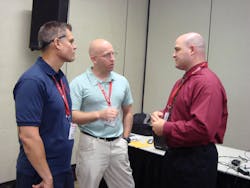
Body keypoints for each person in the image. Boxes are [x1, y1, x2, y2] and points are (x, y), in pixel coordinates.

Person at [151, 32, 228, 188]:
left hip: (194, 162)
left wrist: (165, 127)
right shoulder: (185, 80)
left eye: (177, 50)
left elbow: (202, 128)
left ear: (192, 50)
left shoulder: (207, 83)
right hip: (177, 157)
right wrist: (162, 116)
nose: (173, 55)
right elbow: (182, 114)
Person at [13, 21, 77, 188]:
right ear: (57, 43)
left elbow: (63, 116)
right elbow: (28, 137)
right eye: (70, 41)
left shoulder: (60, 78)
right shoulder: (32, 81)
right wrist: (47, 178)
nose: (75, 46)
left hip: (62, 168)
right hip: (40, 174)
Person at [70, 38, 135, 188]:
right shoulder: (79, 83)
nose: (112, 59)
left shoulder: (122, 81)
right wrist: (99, 115)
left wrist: (125, 138)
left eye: (113, 54)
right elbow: (72, 116)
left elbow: (128, 111)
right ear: (94, 59)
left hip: (118, 143)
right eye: (107, 55)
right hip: (93, 143)